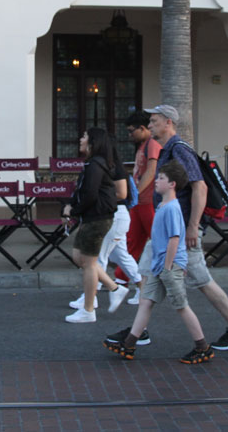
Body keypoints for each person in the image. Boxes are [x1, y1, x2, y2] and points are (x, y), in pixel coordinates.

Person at [137, 104, 228, 351]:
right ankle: (137, 331)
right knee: (147, 270)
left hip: (179, 231)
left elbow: (199, 187)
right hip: (166, 230)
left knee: (201, 280)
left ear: (168, 122)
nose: (150, 125)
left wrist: (193, 227)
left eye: (154, 121)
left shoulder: (179, 150)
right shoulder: (169, 149)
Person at [105, 160, 214, 364]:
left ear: (172, 184)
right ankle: (129, 344)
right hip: (160, 266)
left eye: (161, 178)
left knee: (181, 306)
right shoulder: (163, 205)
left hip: (168, 266)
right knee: (146, 302)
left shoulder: (172, 208)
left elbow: (174, 239)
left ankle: (202, 347)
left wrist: (167, 267)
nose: (156, 181)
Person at [61, 127, 128, 323]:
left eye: (84, 136)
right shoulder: (91, 163)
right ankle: (115, 288)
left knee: (89, 264)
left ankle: (88, 310)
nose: (80, 139)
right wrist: (70, 206)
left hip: (98, 218)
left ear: (92, 142)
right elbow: (82, 191)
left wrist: (73, 212)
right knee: (79, 257)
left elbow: (90, 195)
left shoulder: (96, 165)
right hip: (92, 218)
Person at [69, 133, 141, 312]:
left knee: (95, 259)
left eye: (86, 136)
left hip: (114, 215)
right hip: (111, 215)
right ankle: (138, 289)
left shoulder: (110, 166)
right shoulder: (99, 164)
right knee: (119, 256)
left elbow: (122, 194)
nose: (81, 139)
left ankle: (91, 299)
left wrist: (86, 206)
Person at [114, 110, 161, 303]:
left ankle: (146, 288)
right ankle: (121, 282)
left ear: (143, 128)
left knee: (156, 245)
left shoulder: (152, 145)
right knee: (132, 243)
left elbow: (151, 171)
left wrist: (136, 193)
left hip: (147, 202)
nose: (129, 135)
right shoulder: (144, 145)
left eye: (132, 131)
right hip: (140, 203)